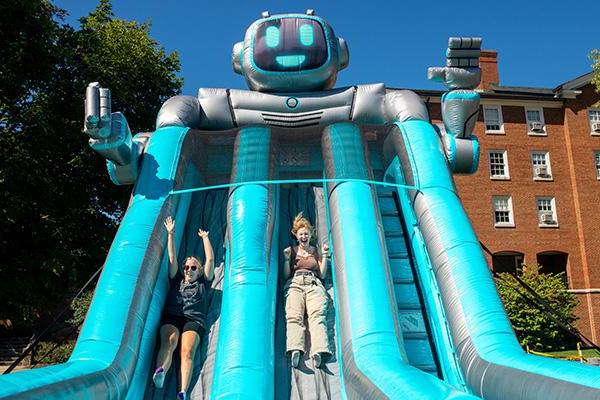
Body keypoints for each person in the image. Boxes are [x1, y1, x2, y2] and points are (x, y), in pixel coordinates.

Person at [152, 216, 214, 400]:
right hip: (172, 316)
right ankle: (161, 370)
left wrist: (205, 238)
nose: (188, 269)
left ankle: (183, 391)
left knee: (187, 352)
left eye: (193, 267)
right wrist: (170, 234)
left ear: (199, 270)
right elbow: (171, 257)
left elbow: (210, 259)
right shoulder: (176, 279)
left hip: (194, 320)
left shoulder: (203, 282)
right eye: (186, 267)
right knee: (169, 341)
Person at [282, 213, 331, 369]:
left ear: (310, 235)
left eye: (306, 233)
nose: (303, 236)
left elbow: (322, 274)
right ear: (296, 236)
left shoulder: (314, 250)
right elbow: (285, 274)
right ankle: (296, 348)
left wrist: (324, 256)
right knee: (294, 316)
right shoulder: (292, 250)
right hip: (295, 282)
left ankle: (318, 350)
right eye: (301, 234)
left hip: (312, 283)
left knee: (317, 316)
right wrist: (286, 259)